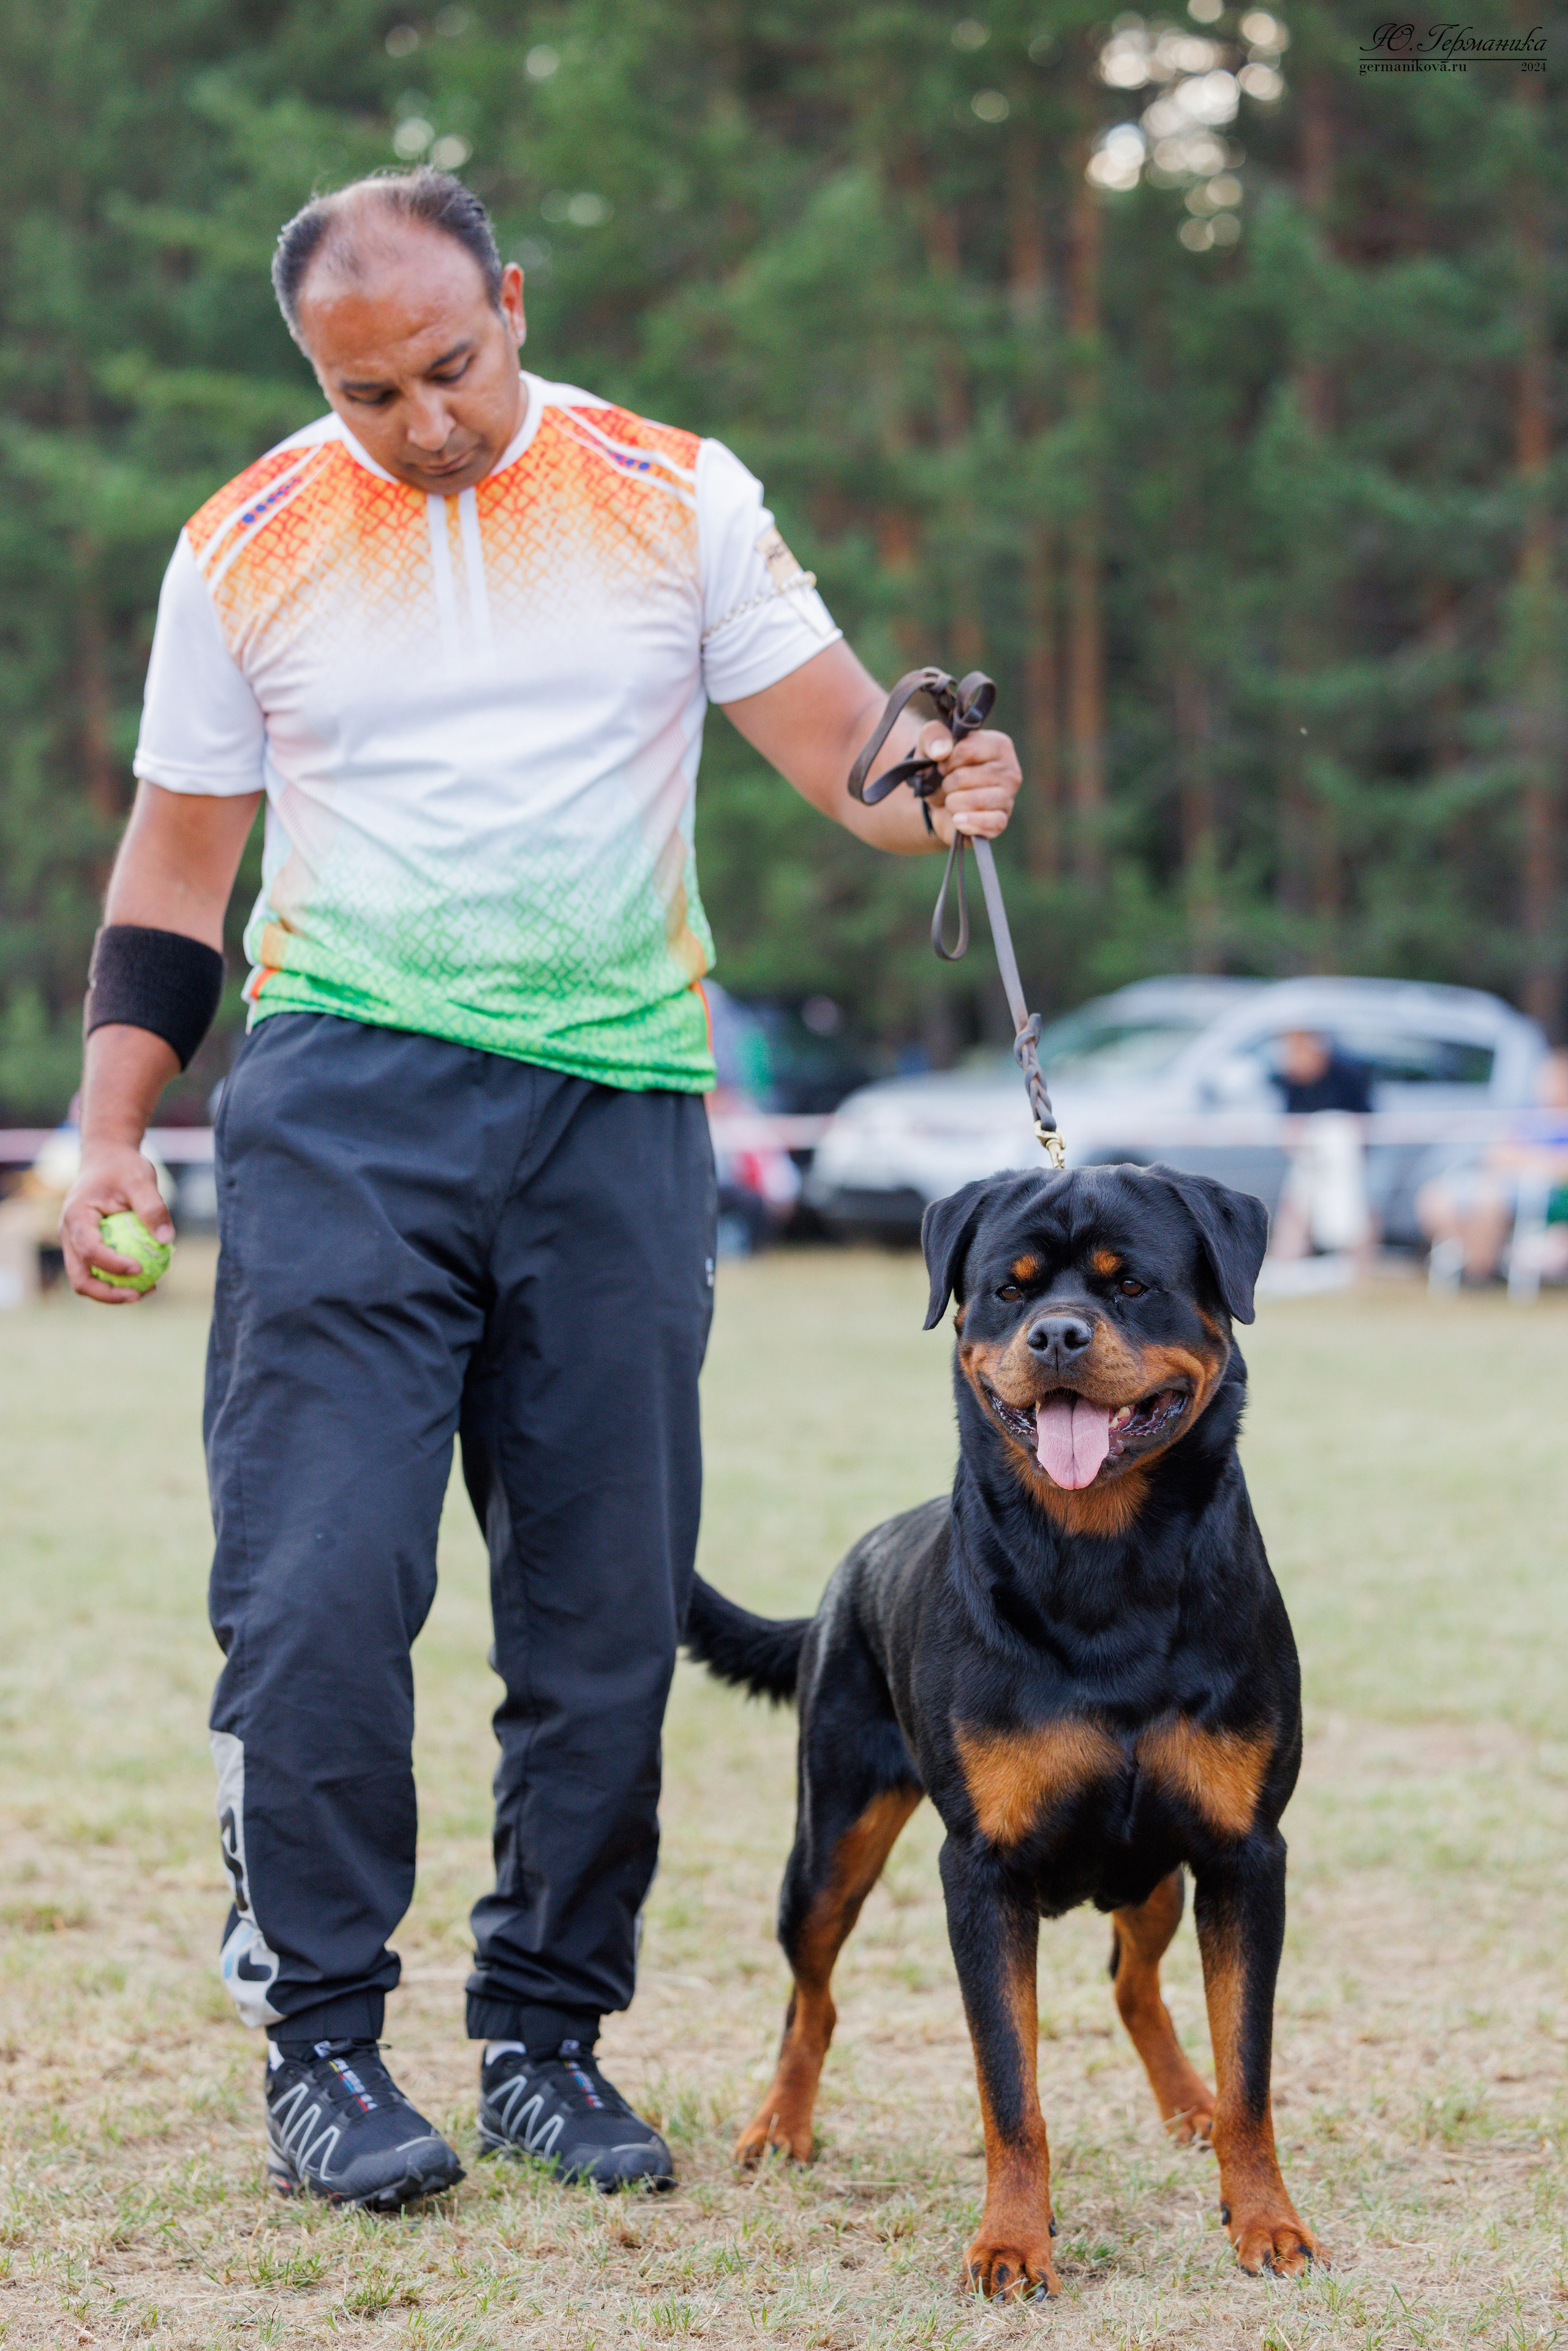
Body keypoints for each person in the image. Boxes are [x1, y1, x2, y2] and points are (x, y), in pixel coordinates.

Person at [58, 169, 1021, 2209]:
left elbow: (850, 752)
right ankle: (324, 2039)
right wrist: (115, 1123)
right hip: (342, 1107)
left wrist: (935, 771)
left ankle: (543, 2035)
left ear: (511, 300)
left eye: (448, 366)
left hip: (618, 1111)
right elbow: (172, 874)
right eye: (363, 389)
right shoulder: (246, 542)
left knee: (599, 1607)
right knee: (319, 1585)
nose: (417, 420)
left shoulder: (673, 493)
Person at [1417, 1048, 1568, 1287]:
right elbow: (1496, 1154)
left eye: (1554, 1079)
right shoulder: (1529, 1116)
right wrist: (1531, 1159)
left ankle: (1479, 1274)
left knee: (1488, 1196)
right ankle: (1474, 1259)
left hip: (1545, 1195)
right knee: (1437, 1196)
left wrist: (1525, 1161)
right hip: (1503, 1182)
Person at [1266, 1029, 1374, 1267]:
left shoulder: (1348, 1074)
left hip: (1351, 1158)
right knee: (1296, 1203)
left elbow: (1366, 1123)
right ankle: (1288, 1263)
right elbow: (1288, 1126)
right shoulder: (1292, 1079)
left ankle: (1357, 1266)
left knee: (1354, 1208)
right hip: (1309, 1155)